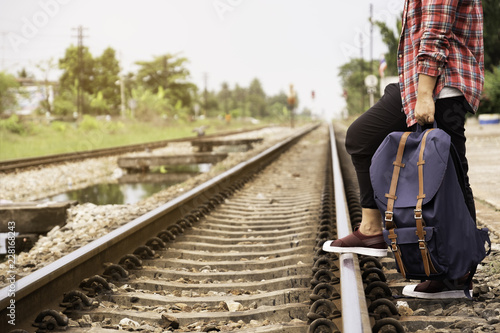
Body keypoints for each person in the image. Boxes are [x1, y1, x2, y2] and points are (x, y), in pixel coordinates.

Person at [324, 0, 484, 299]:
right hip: (415, 85)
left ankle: (457, 274)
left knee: (451, 177)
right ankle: (372, 229)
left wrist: (425, 93)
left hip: (440, 86)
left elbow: (435, 32)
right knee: (361, 137)